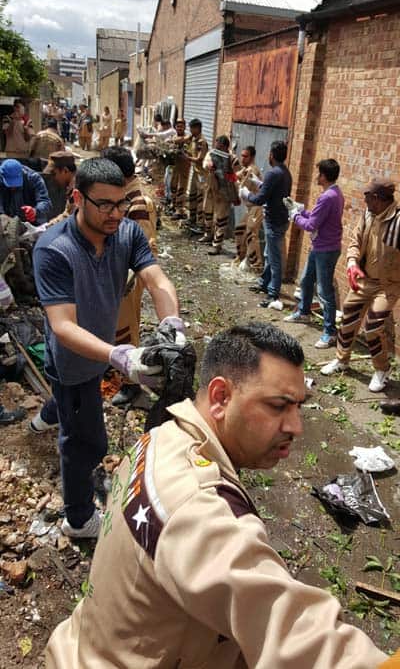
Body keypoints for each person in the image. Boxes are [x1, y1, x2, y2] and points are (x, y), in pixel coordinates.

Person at [45, 322, 389, 669]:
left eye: (299, 406)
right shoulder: (199, 509)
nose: (296, 427)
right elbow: (293, 631)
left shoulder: (162, 436)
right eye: (278, 406)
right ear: (221, 397)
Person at [32, 158, 183, 538]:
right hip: (73, 361)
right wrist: (119, 355)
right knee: (84, 442)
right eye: (105, 205)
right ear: (78, 198)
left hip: (99, 354)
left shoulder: (126, 233)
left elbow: (156, 279)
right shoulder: (55, 249)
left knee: (77, 414)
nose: (116, 213)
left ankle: (49, 416)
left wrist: (171, 324)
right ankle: (79, 519)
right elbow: (63, 326)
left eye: (120, 203)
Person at [321, 177, 400, 392]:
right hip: (364, 279)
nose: (365, 203)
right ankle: (341, 360)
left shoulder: (398, 221)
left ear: (378, 199)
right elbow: (355, 241)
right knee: (348, 317)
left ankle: (382, 370)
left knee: (373, 328)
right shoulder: (368, 215)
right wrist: (353, 263)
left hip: (388, 285)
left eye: (367, 198)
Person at [102, 145, 158, 405]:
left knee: (125, 329)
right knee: (113, 325)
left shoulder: (137, 202)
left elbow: (141, 246)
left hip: (128, 277)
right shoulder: (123, 196)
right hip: (115, 273)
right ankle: (116, 369)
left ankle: (131, 383)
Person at [284, 159, 344, 349]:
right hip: (321, 246)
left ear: (324, 176)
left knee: (325, 291)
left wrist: (294, 215)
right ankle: (304, 312)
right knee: (306, 280)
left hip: (326, 249)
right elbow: (318, 217)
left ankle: (330, 332)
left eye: (319, 173)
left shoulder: (327, 197)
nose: (317, 176)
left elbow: (311, 225)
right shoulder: (335, 193)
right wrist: (301, 209)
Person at [243, 140, 291, 306]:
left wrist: (246, 193)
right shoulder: (285, 172)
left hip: (274, 221)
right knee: (269, 255)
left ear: (271, 155)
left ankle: (273, 294)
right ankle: (264, 283)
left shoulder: (273, 173)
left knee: (274, 258)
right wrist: (259, 183)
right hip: (281, 220)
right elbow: (273, 190)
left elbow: (260, 198)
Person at [202, 135, 239, 254]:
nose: (216, 148)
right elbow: (205, 163)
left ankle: (217, 245)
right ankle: (208, 234)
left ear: (225, 147)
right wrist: (209, 167)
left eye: (219, 147)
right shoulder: (211, 153)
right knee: (207, 210)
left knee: (221, 218)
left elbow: (238, 176)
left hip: (224, 191)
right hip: (211, 187)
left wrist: (229, 174)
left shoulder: (233, 159)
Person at [234, 146, 263, 273]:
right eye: (242, 155)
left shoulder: (252, 171)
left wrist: (236, 178)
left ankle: (257, 266)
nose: (242, 158)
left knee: (251, 234)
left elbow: (241, 186)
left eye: (245, 156)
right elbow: (236, 177)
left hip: (257, 207)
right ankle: (241, 258)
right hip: (250, 207)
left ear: (252, 157)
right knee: (240, 230)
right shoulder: (246, 169)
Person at [0, 159, 51, 225]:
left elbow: (45, 202)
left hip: (33, 223)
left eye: (16, 183)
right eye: (9, 183)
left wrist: (35, 211)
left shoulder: (34, 178)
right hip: (7, 222)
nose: (13, 187)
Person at [183, 118, 209, 229]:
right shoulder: (194, 139)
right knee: (192, 195)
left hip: (202, 174)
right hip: (195, 171)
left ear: (197, 128)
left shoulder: (201, 142)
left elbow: (199, 159)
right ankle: (192, 218)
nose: (191, 131)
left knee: (200, 198)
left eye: (192, 128)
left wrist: (187, 157)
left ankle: (200, 223)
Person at [42, 151, 76, 221]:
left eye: (54, 174)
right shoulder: (67, 186)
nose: (52, 178)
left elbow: (69, 216)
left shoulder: (78, 190)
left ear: (65, 171)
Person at [169, 117, 190, 220]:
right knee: (173, 185)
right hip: (175, 166)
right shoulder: (174, 137)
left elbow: (190, 151)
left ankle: (180, 210)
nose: (179, 128)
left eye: (181, 126)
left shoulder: (188, 138)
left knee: (181, 188)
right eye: (178, 126)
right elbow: (172, 141)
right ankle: (173, 205)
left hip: (184, 166)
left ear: (185, 127)